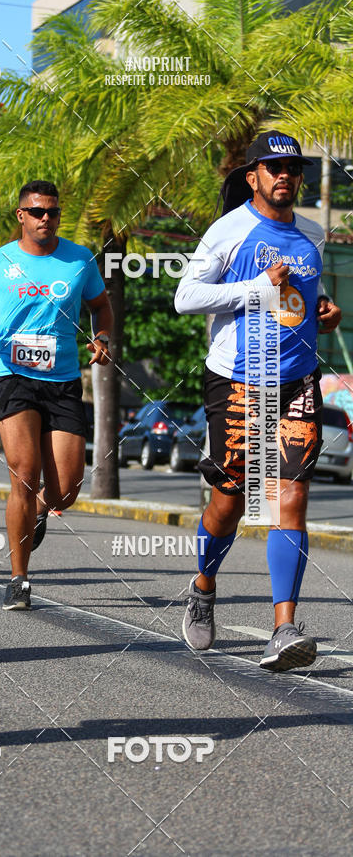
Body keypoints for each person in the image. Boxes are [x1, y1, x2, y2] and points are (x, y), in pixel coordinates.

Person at [175, 130, 342, 672]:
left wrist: (326, 311)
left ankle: (283, 628)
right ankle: (203, 586)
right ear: (253, 176)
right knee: (230, 501)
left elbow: (304, 297)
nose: (284, 175)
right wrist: (255, 289)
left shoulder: (313, 233)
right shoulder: (229, 231)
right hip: (239, 381)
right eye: (273, 167)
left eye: (292, 167)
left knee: (289, 498)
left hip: (296, 381)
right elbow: (186, 298)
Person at [0, 180, 113, 610]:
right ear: (21, 216)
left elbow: (101, 306)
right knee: (24, 472)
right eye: (37, 212)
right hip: (12, 375)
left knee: (66, 491)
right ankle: (19, 578)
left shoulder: (79, 260)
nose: (46, 219)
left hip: (61, 381)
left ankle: (42, 509)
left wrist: (102, 337)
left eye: (53, 212)